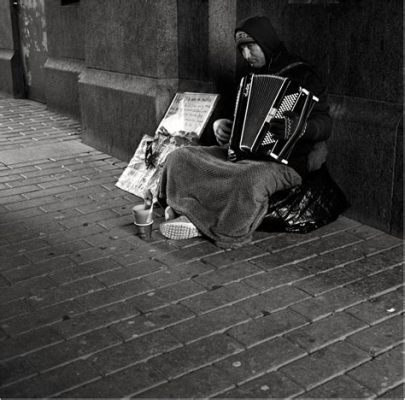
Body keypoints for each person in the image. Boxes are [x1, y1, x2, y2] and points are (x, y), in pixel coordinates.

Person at [158, 15, 332, 248]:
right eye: (242, 50)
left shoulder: (303, 74)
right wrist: (218, 125)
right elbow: (233, 115)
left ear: (267, 42)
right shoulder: (247, 76)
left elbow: (325, 123)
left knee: (248, 179)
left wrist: (300, 128)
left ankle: (200, 222)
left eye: (251, 47)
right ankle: (186, 209)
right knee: (180, 157)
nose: (247, 55)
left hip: (285, 162)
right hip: (240, 155)